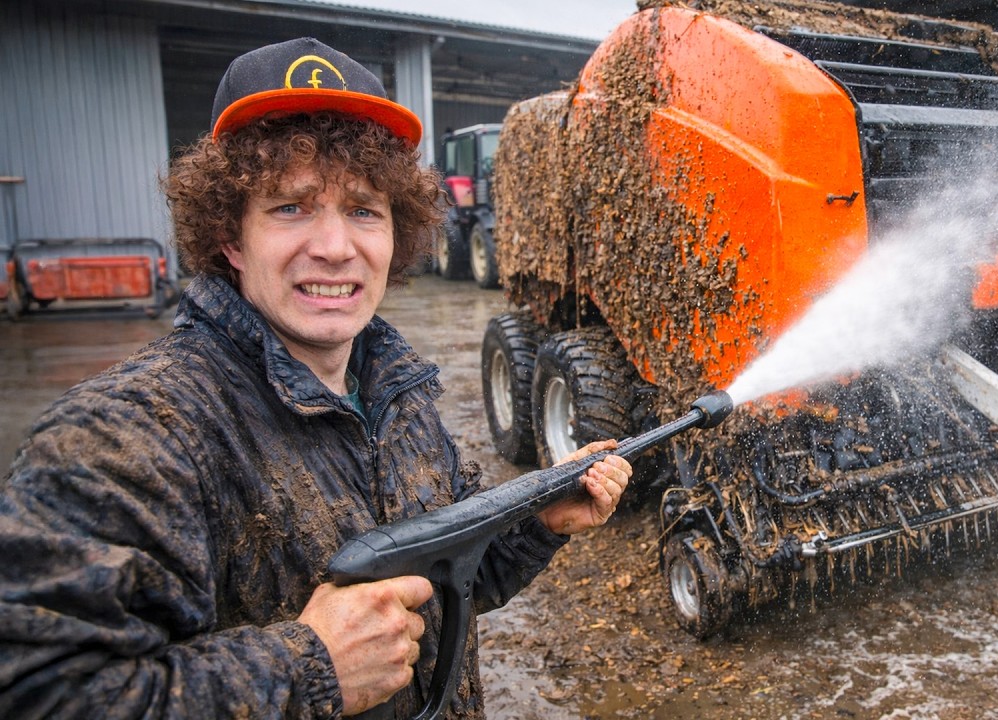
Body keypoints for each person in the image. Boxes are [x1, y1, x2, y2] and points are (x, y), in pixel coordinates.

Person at [0, 37, 631, 719]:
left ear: (396, 232)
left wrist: (539, 520)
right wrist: (311, 668)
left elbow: (449, 584)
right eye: (291, 207)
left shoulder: (397, 395)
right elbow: (42, 692)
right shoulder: (129, 437)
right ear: (230, 237)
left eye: (363, 210)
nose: (335, 248)